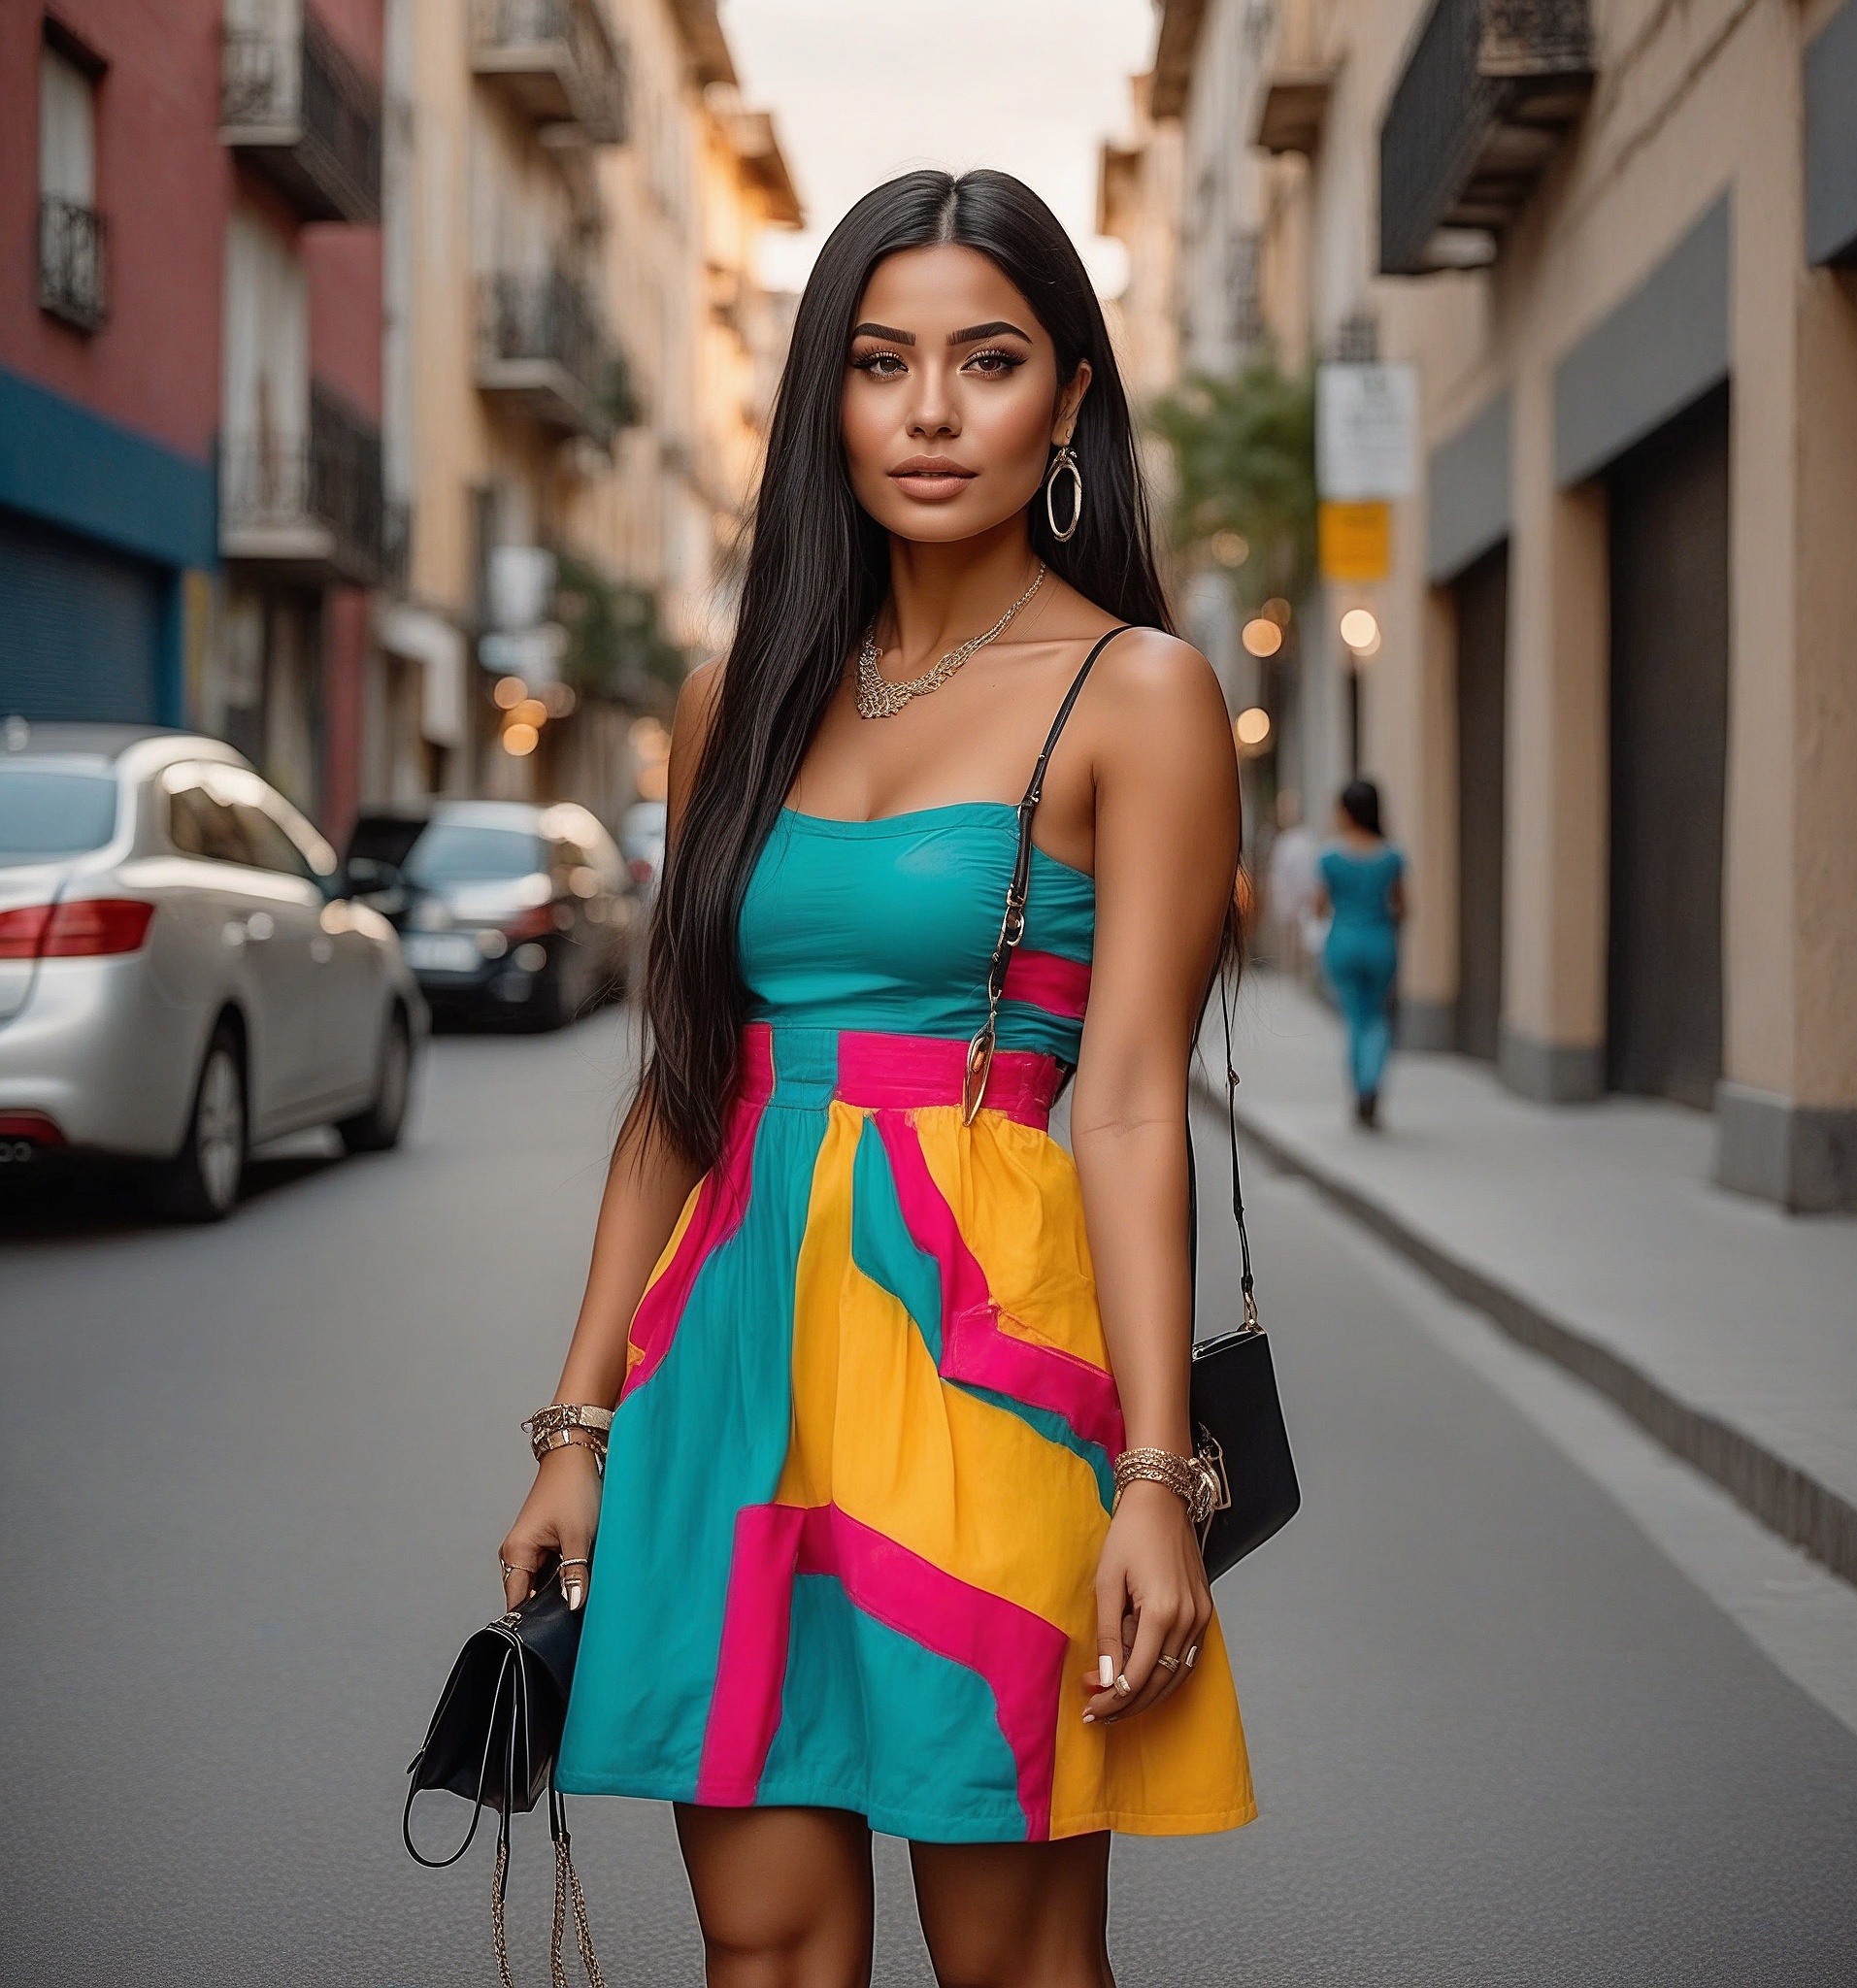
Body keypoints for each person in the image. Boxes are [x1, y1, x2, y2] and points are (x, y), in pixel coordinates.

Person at [498, 170, 1254, 1988]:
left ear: (1067, 396)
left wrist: (1157, 1472)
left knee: (1009, 1950)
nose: (927, 413)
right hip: (734, 1371)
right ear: (822, 398)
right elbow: (682, 1086)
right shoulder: (732, 694)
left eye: (984, 362)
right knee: (760, 1945)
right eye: (877, 362)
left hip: (991, 1364)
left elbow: (1134, 1098)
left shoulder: (1136, 691)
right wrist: (575, 1427)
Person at [1315, 779, 1407, 1129]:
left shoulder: (1330, 858)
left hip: (1343, 943)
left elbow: (1320, 907)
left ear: (1347, 812)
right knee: (1377, 1018)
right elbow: (1402, 907)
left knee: (1354, 1018)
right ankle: (1371, 1084)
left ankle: (1360, 1088)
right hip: (1380, 942)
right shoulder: (1392, 856)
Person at [1266, 789, 1320, 978]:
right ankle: (1291, 971)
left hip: (1301, 893)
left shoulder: (1303, 839)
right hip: (1290, 893)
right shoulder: (1287, 841)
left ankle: (1297, 972)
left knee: (1301, 933)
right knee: (1291, 933)